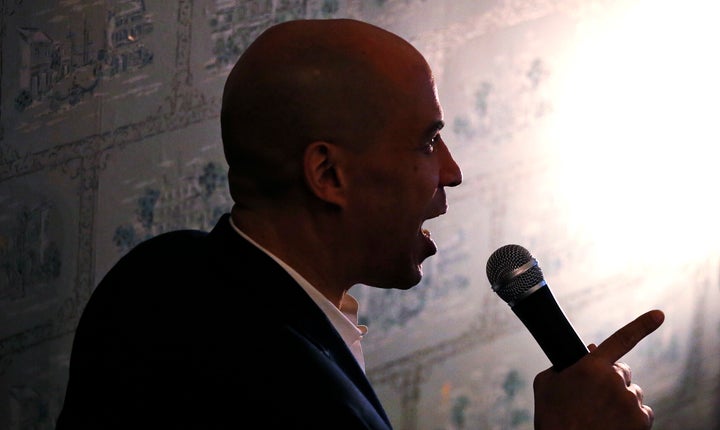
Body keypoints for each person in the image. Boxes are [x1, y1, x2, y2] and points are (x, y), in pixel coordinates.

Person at [56, 18, 665, 429]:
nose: (452, 173)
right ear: (328, 174)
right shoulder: (303, 404)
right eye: (428, 142)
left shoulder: (154, 272)